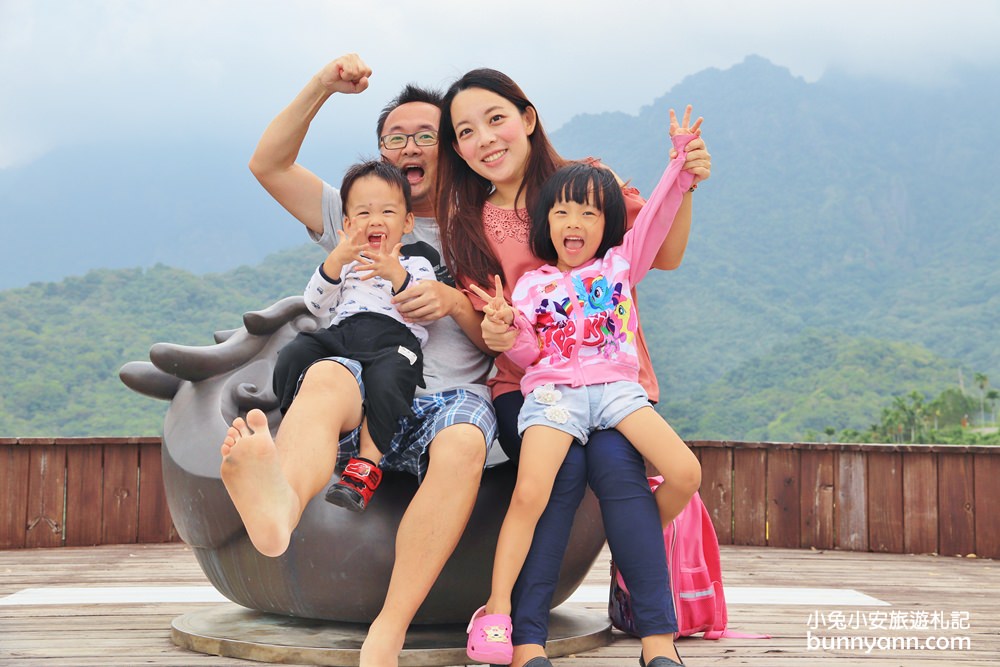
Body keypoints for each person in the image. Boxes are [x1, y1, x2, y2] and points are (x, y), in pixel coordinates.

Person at [225, 53, 496, 667]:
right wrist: (322, 84)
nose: (410, 145)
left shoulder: (489, 223)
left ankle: (388, 632)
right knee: (322, 373)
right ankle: (279, 511)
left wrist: (454, 303)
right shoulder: (358, 216)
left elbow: (504, 340)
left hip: (446, 402)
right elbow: (267, 164)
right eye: (395, 136)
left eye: (427, 134)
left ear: (452, 149)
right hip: (357, 384)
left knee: (462, 444)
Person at [437, 68, 710, 667]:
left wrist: (684, 175)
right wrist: (497, 330)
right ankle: (519, 629)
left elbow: (661, 247)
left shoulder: (587, 185)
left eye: (496, 118)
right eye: (466, 131)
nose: (485, 138)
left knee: (619, 472)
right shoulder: (470, 229)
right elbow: (506, 337)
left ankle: (652, 629)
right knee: (558, 482)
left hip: (614, 386)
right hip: (534, 386)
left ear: (528, 118)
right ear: (456, 148)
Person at [271, 159, 437, 512]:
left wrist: (395, 273)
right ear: (347, 224)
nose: (375, 221)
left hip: (395, 340)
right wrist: (335, 260)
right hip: (344, 333)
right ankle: (292, 423)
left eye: (388, 211)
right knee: (295, 353)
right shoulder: (345, 263)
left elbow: (422, 310)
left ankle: (366, 466)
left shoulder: (417, 262)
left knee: (390, 380)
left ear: (407, 222)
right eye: (363, 213)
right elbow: (314, 305)